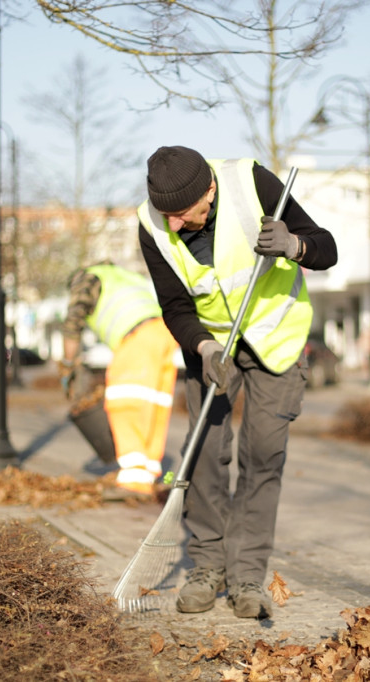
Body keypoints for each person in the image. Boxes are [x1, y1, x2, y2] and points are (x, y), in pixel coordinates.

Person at [137, 146, 338, 619]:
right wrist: (204, 347)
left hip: (277, 339)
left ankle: (246, 573)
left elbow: (326, 247)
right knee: (205, 453)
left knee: (262, 455)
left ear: (209, 191)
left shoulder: (252, 184)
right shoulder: (152, 225)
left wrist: (294, 245)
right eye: (166, 215)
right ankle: (208, 566)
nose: (172, 225)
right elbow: (175, 306)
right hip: (213, 348)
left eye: (182, 214)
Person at [59, 262, 179, 496]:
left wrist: (67, 364)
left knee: (125, 403)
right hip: (163, 334)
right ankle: (147, 476)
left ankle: (133, 481)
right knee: (154, 407)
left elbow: (73, 322)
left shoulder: (86, 280)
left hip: (136, 339)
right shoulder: (121, 274)